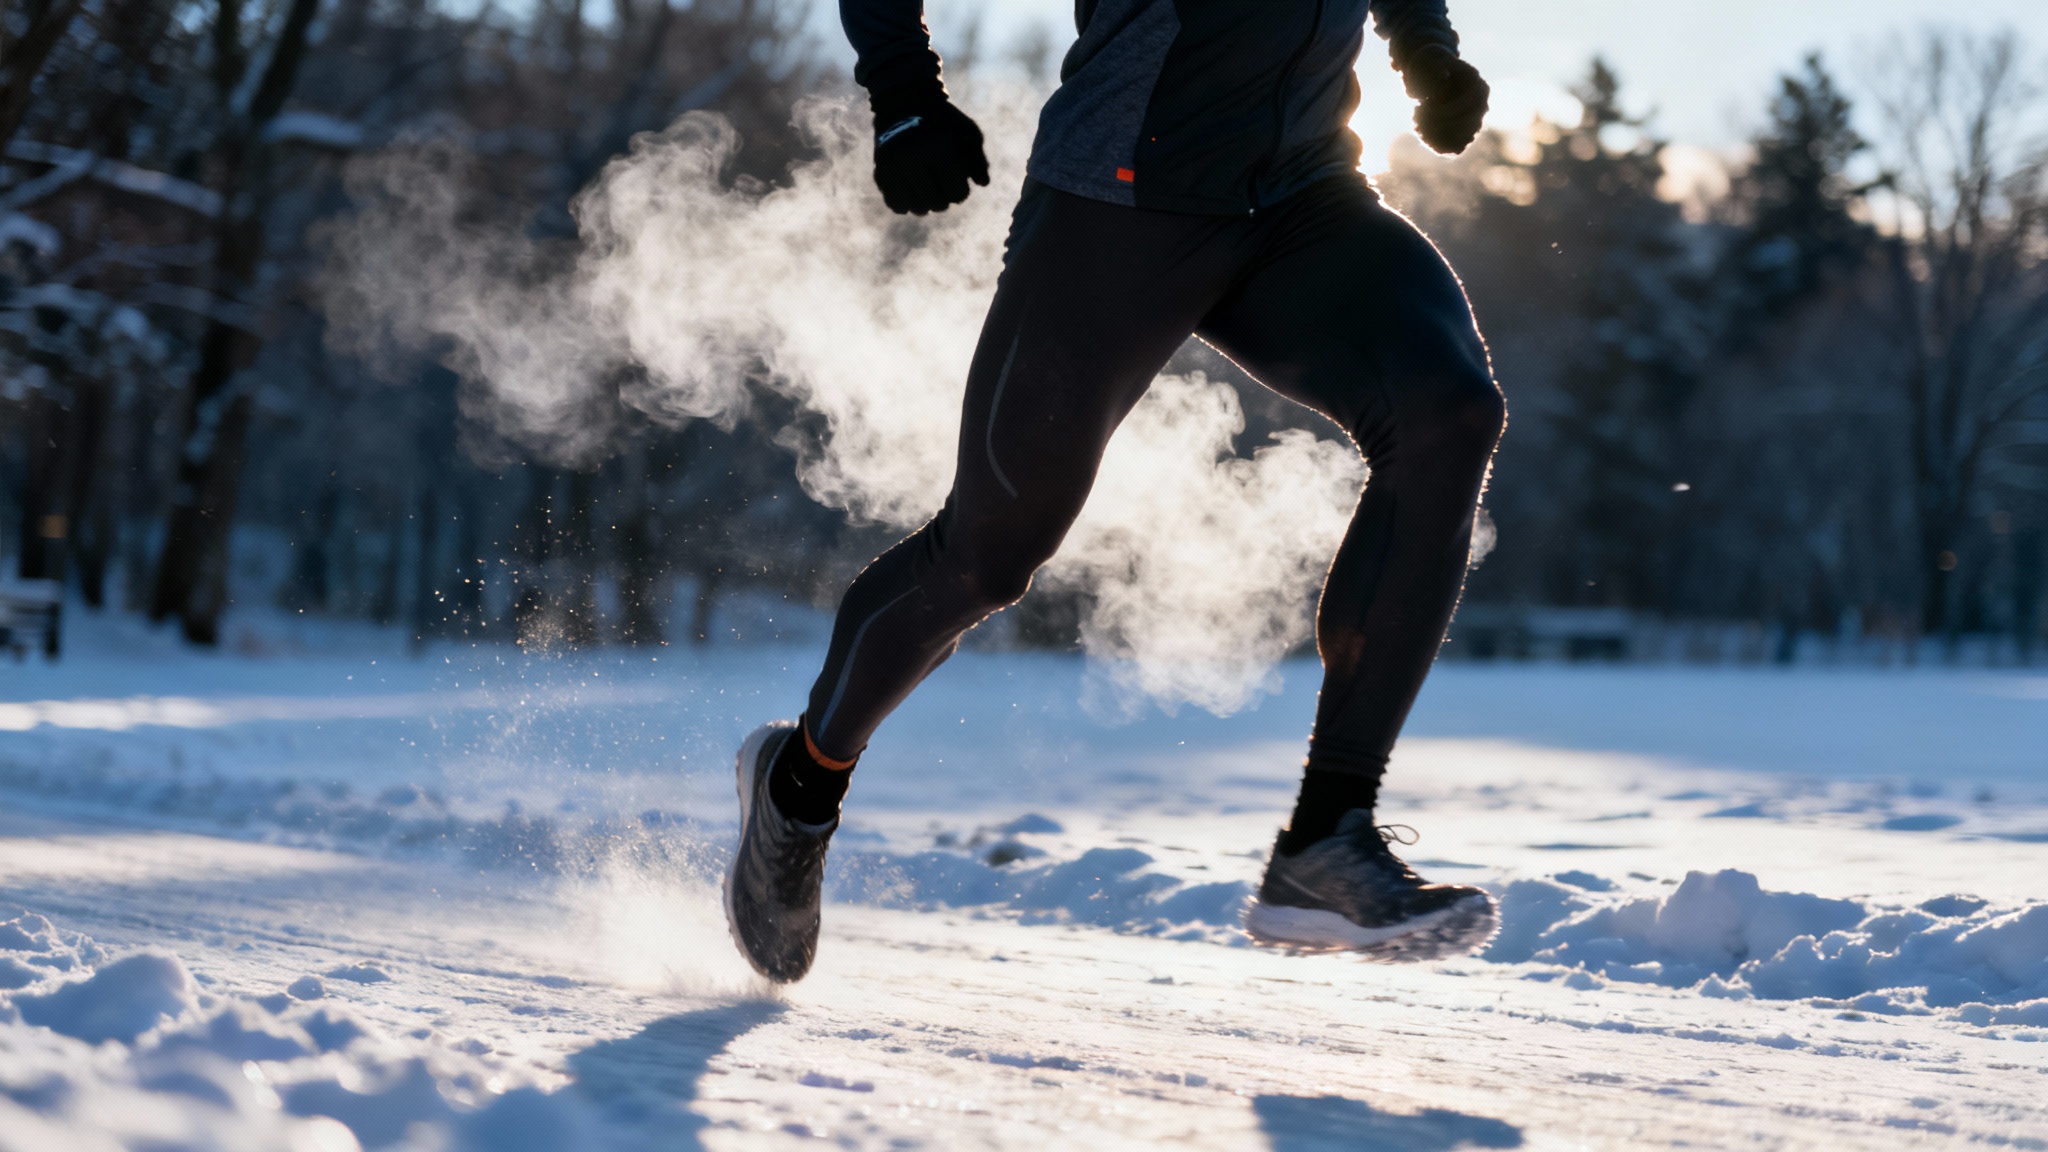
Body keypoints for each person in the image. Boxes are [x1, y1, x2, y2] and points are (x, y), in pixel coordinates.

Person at [725, 0, 1504, 983]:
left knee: (1448, 414)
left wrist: (1425, 49)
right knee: (988, 556)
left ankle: (1326, 840)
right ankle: (799, 786)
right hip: (1122, 198)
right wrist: (904, 91)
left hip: (1304, 194)